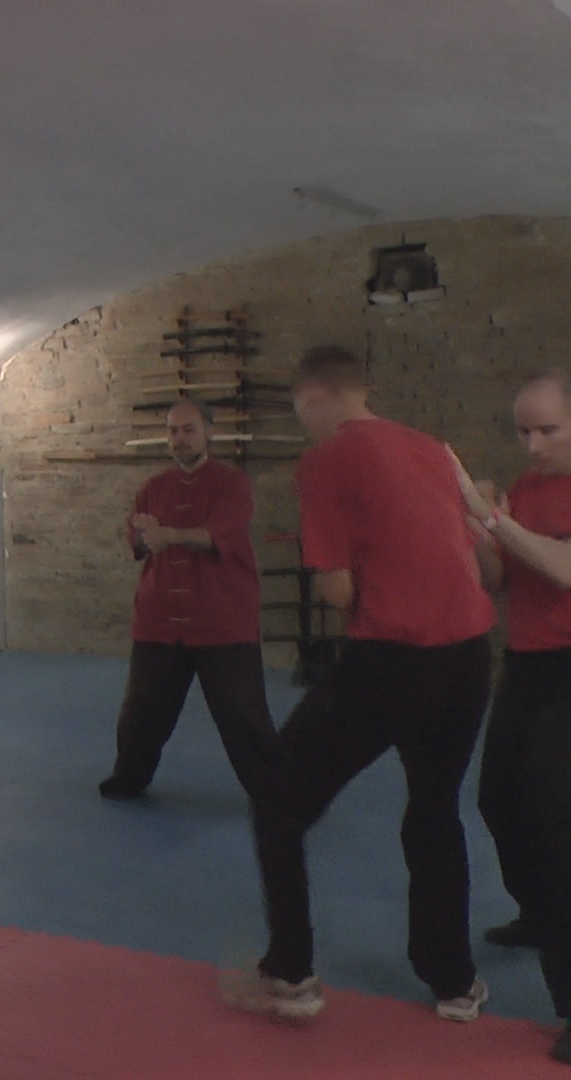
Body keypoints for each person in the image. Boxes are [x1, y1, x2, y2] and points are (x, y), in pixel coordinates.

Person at [232, 346, 494, 1023]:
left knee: (276, 799)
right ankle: (455, 984)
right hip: (469, 659)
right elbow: (466, 557)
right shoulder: (432, 450)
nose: (302, 419)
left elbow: (340, 588)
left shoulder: (326, 460)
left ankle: (290, 974)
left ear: (315, 394)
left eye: (300, 406)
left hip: (392, 661)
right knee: (434, 811)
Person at [453, 369, 571, 1064]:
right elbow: (499, 581)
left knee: (557, 823)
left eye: (548, 430)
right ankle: (537, 912)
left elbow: (563, 568)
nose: (532, 445)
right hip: (526, 664)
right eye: (523, 431)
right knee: (498, 799)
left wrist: (495, 518)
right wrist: (478, 532)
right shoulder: (526, 490)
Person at [98, 398, 275, 802]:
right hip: (160, 620)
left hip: (222, 620)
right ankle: (129, 777)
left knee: (245, 717)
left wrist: (168, 535)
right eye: (173, 431)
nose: (180, 438)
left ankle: (274, 792)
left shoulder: (233, 485)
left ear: (210, 432)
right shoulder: (153, 488)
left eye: (189, 429)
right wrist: (143, 533)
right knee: (141, 713)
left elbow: (213, 536)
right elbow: (137, 541)